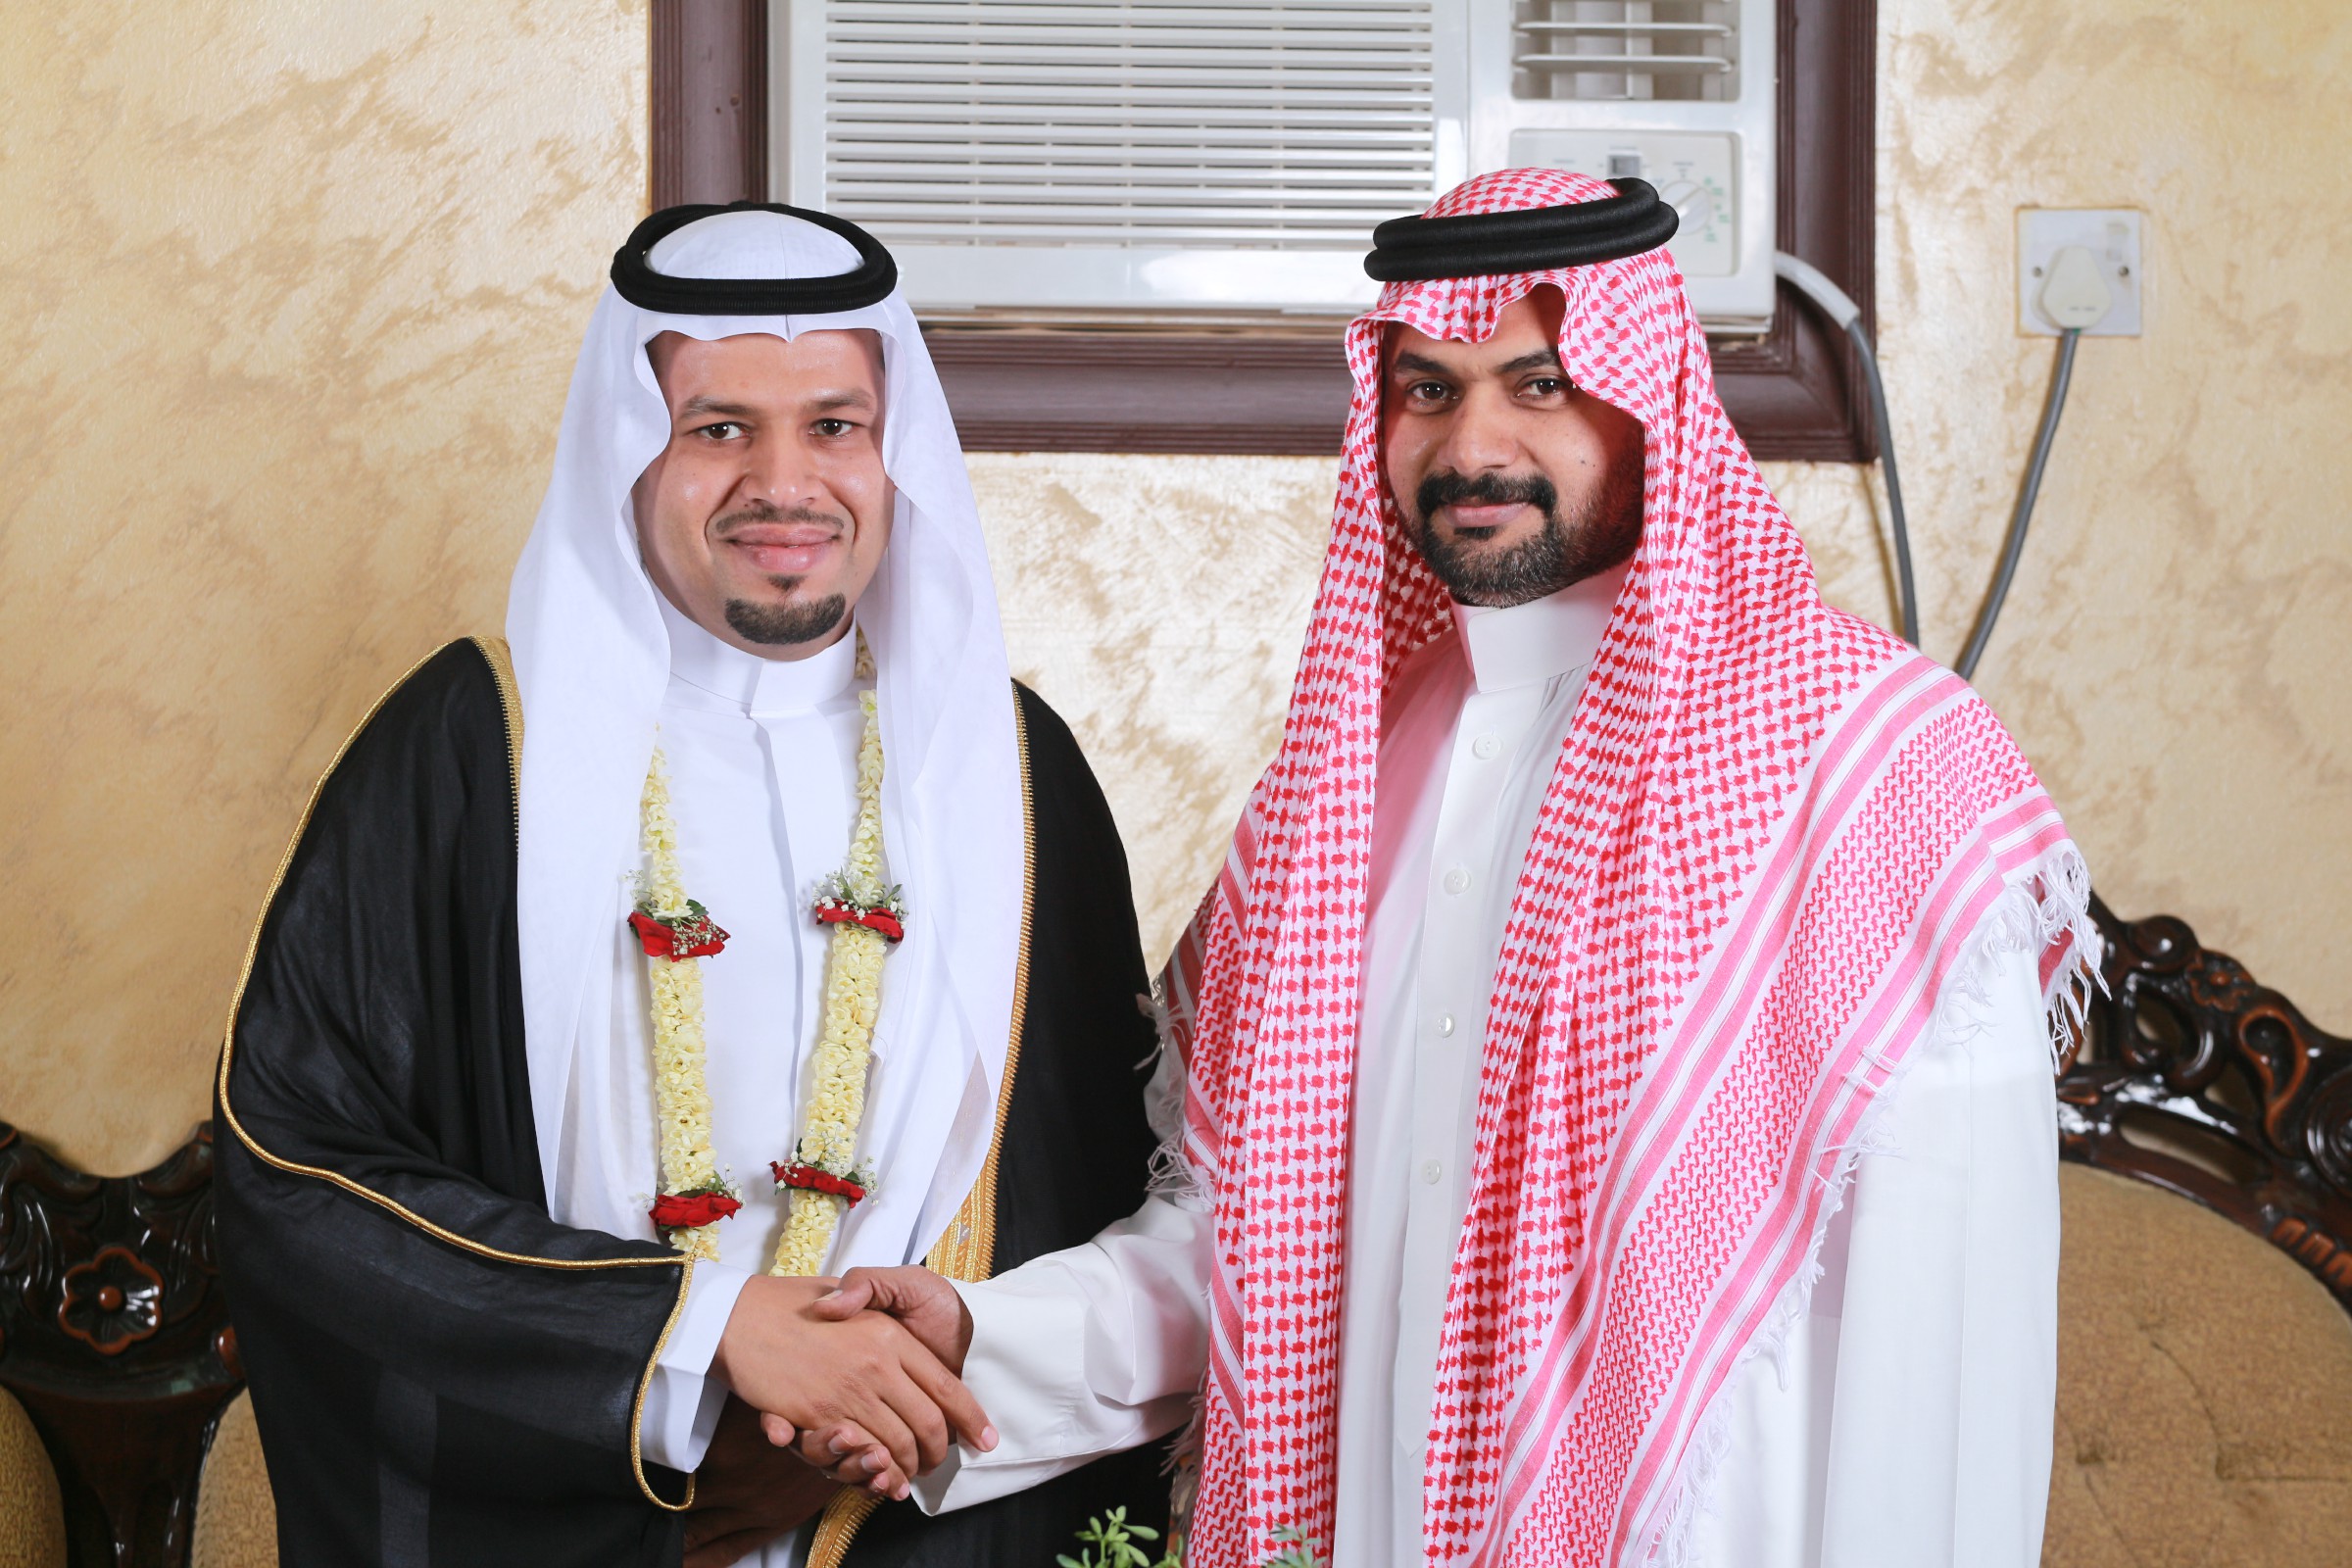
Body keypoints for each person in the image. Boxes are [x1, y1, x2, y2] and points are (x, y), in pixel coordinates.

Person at [820, 170, 2089, 1567]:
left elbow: (1943, 1340)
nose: (1472, 444)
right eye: (1428, 389)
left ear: (1649, 395)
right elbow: (1261, 1251)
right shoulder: (1348, 779)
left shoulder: (1874, 766)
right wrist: (979, 1340)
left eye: (1539, 385)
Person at [213, 203, 1174, 1567]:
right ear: (632, 450)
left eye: (835, 425)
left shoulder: (1013, 771)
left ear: (893, 453)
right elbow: (298, 1166)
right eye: (718, 427)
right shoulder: (469, 749)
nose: (785, 483)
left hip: (908, 1519)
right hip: (583, 1507)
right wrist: (689, 1346)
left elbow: (1099, 1189)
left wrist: (868, 1429)